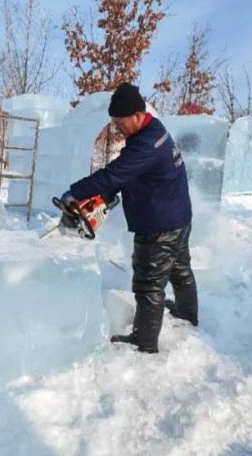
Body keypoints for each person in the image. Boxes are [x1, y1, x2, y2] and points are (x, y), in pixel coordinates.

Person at [61, 83, 197, 354]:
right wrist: (108, 195)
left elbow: (116, 173)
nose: (116, 128)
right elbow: (134, 172)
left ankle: (144, 342)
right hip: (179, 216)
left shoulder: (146, 144)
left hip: (159, 225)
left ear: (137, 115)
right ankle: (186, 314)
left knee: (148, 284)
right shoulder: (153, 130)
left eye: (120, 122)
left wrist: (75, 193)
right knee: (180, 270)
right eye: (113, 123)